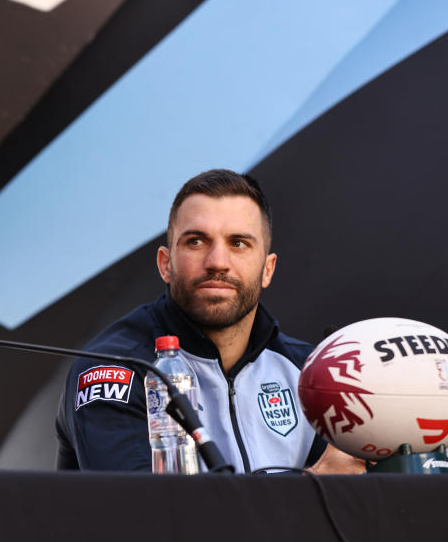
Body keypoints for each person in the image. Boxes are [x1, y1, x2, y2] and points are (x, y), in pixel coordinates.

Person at [55, 169, 361, 474]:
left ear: (267, 270)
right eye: (197, 241)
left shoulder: (307, 371)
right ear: (165, 264)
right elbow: (141, 513)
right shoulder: (114, 368)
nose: (217, 261)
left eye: (238, 243)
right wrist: (319, 483)